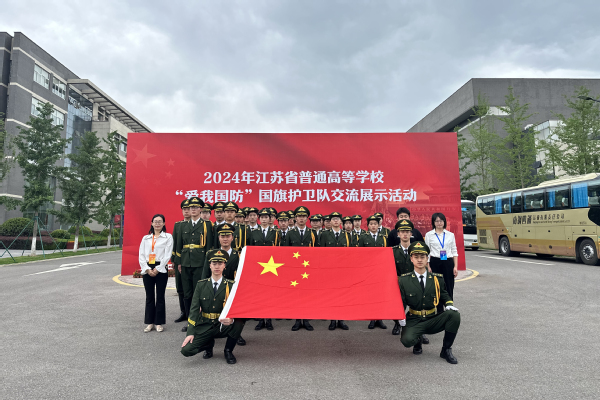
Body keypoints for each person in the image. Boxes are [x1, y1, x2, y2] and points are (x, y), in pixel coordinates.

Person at [398, 241, 460, 364]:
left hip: (432, 318)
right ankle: (417, 341)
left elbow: (444, 295)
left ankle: (446, 350)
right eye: (416, 257)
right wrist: (399, 316)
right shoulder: (404, 280)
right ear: (411, 259)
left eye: (422, 257)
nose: (419, 260)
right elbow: (401, 301)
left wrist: (449, 304)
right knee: (406, 341)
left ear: (427, 259)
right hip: (414, 318)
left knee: (454, 315)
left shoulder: (437, 278)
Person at [181, 251, 246, 364]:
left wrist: (232, 319)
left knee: (239, 322)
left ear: (224, 266)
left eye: (220, 263)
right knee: (186, 350)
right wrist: (190, 333)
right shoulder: (201, 285)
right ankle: (208, 345)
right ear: (210, 265)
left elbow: (239, 308)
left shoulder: (231, 285)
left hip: (222, 325)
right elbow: (194, 310)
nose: (217, 266)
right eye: (214, 263)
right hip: (205, 325)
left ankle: (228, 351)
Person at [203, 224, 246, 347]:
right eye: (222, 236)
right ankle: (211, 337)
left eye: (228, 236)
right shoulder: (211, 254)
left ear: (232, 237)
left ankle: (236, 334)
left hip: (233, 290)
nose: (225, 239)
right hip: (215, 289)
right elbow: (205, 274)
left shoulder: (239, 255)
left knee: (236, 314)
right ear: (219, 238)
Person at [175, 196, 213, 332]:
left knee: (200, 293)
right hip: (185, 262)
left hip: (200, 263)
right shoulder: (182, 225)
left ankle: (201, 320)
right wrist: (179, 262)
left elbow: (209, 246)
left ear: (200, 209)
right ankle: (190, 321)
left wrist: (207, 264)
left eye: (196, 207)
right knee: (187, 293)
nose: (193, 209)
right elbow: (179, 245)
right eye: (191, 207)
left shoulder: (207, 225)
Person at [283, 206, 316, 332]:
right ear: (295, 218)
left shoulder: (312, 233)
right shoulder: (290, 233)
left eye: (303, 216)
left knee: (307, 294)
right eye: (299, 216)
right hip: (295, 268)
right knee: (296, 294)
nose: (301, 218)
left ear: (307, 218)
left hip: (308, 268)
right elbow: (286, 252)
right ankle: (297, 320)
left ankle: (306, 320)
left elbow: (318, 251)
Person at [319, 212, 354, 331]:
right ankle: (332, 320)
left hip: (343, 270)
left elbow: (351, 253)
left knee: (343, 295)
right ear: (330, 222)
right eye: (333, 219)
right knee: (332, 295)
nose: (335, 221)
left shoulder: (347, 235)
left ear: (340, 222)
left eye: (337, 219)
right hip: (330, 270)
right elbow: (321, 253)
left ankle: (341, 320)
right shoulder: (324, 234)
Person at [139, 214, 173, 333]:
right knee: (149, 297)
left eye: (160, 221)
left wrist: (158, 268)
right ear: (152, 223)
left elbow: (167, 254)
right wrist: (147, 269)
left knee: (160, 296)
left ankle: (158, 322)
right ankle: (149, 323)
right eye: (155, 221)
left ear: (164, 223)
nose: (157, 223)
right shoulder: (146, 238)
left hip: (161, 268)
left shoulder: (168, 237)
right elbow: (141, 255)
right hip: (147, 267)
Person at [250, 208, 281, 331]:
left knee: (270, 293)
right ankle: (260, 319)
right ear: (259, 219)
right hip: (258, 266)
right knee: (259, 293)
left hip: (272, 266)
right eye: (262, 217)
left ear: (270, 219)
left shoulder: (276, 232)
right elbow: (250, 249)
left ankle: (269, 320)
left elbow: (279, 250)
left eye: (266, 217)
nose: (263, 219)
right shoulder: (253, 232)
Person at [358, 215, 388, 330]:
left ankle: (379, 319)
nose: (373, 226)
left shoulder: (383, 237)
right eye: (371, 224)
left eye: (375, 224)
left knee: (380, 294)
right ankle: (372, 318)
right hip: (368, 270)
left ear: (378, 225)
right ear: (368, 226)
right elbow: (360, 254)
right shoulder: (363, 237)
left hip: (381, 269)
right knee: (371, 294)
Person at [424, 212, 458, 309]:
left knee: (449, 285)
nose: (439, 223)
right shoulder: (429, 235)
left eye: (441, 221)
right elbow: (427, 252)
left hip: (448, 262)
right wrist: (428, 266)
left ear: (444, 222)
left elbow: (454, 251)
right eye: (437, 221)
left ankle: (449, 306)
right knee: (436, 285)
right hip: (435, 262)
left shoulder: (450, 235)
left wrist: (455, 267)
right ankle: (438, 309)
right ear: (433, 222)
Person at [390, 219, 416, 336]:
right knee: (397, 307)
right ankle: (397, 324)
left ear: (411, 234)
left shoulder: (416, 250)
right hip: (398, 284)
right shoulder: (393, 251)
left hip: (413, 283)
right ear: (398, 234)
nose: (405, 234)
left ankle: (419, 330)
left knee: (417, 307)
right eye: (402, 232)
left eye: (407, 232)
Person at [171, 200, 191, 325]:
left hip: (191, 261)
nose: (186, 211)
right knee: (180, 287)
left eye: (188, 209)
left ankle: (191, 313)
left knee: (190, 288)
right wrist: (174, 260)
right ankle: (183, 311)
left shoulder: (196, 225)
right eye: (184, 209)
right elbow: (175, 243)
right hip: (180, 260)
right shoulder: (178, 225)